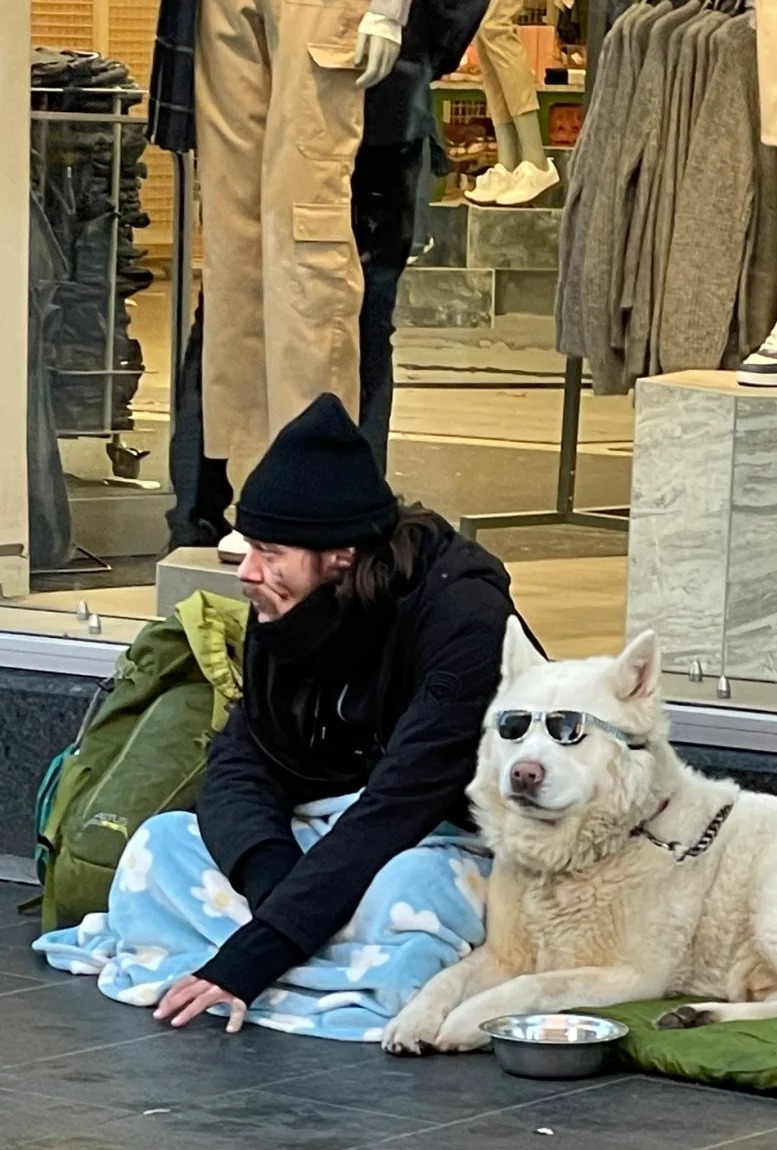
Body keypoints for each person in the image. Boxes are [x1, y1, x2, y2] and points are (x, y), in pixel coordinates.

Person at [153, 390, 521, 1031]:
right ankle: (316, 949)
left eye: (269, 552)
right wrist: (272, 884)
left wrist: (254, 953)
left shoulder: (461, 612)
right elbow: (242, 758)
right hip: (331, 829)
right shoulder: (284, 600)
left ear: (340, 556)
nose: (248, 572)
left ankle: (299, 952)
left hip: (437, 833)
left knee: (409, 888)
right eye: (248, 547)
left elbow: (400, 805)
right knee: (158, 846)